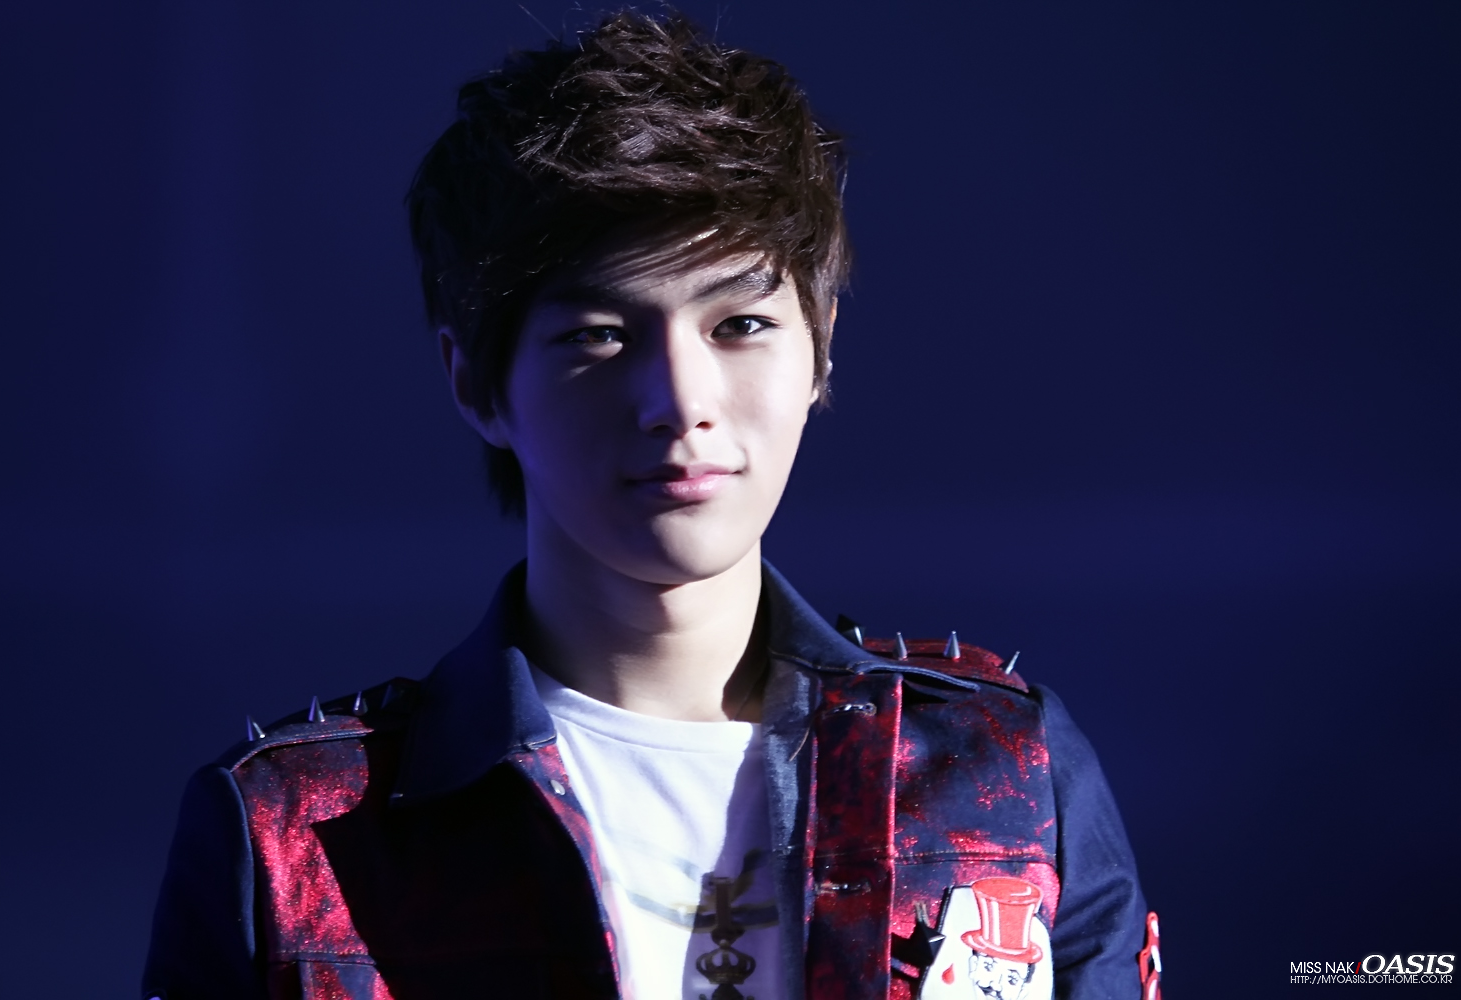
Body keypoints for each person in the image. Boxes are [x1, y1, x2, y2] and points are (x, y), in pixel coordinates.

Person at [143, 10, 1157, 999]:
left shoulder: (1004, 769)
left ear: (821, 348)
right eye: (600, 334)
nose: (679, 401)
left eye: (740, 323)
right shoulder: (293, 833)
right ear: (475, 383)